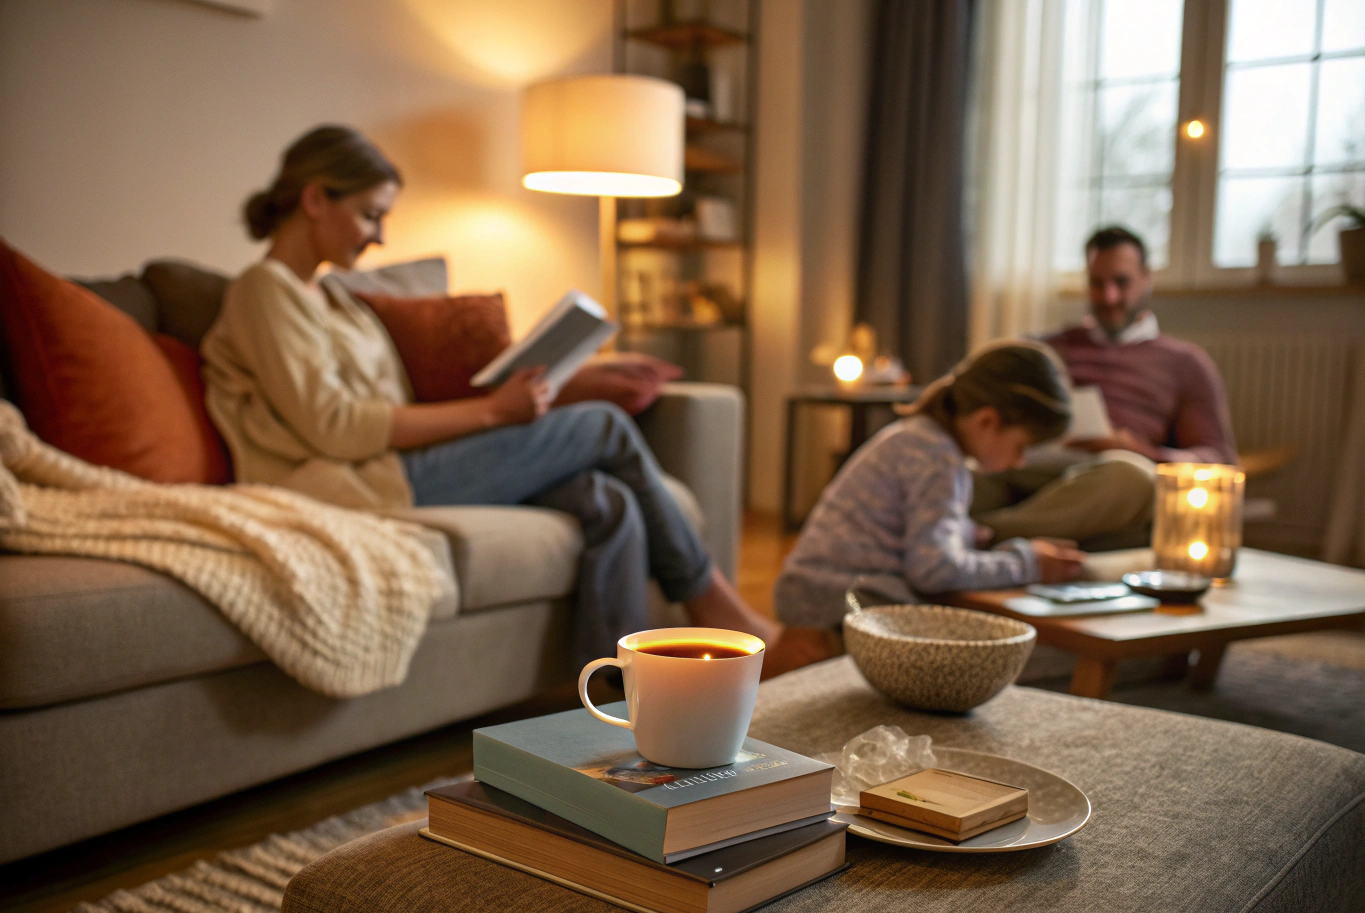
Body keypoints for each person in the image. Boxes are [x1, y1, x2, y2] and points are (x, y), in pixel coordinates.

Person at [200, 125, 776, 666]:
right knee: (601, 425)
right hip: (356, 481)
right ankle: (711, 602)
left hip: (396, 463)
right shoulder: (264, 292)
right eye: (370, 215)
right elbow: (336, 427)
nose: (380, 236)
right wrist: (494, 412)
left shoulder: (332, 296)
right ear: (314, 199)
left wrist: (504, 396)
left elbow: (392, 403)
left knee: (609, 500)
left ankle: (615, 700)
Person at [764, 343, 1086, 675]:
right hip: (841, 608)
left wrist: (964, 533)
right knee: (993, 660)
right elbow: (934, 570)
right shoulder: (937, 458)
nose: (1019, 462)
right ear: (987, 421)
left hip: (824, 597)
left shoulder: (923, 440)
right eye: (1021, 448)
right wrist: (1027, 563)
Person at [971, 226, 1237, 550]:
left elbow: (1218, 459)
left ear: (1146, 278)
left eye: (1121, 282)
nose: (1109, 297)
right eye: (1097, 284)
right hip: (1031, 465)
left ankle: (981, 533)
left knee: (1132, 477)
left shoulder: (1185, 362)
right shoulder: (1046, 346)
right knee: (963, 471)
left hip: (1108, 477)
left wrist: (1144, 451)